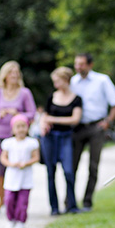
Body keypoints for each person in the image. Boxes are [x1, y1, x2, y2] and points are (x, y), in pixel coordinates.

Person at [70, 53, 115, 212]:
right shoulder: (73, 81)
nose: (78, 67)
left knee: (93, 166)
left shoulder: (102, 80)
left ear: (90, 65)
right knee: (71, 165)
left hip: (96, 127)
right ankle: (70, 201)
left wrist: (108, 121)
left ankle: (87, 202)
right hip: (77, 127)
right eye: (76, 64)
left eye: (81, 64)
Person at [0, 61, 37, 214]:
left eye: (16, 72)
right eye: (11, 72)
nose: (14, 75)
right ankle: (3, 199)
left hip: (18, 137)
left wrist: (18, 114)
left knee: (16, 168)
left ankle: (16, 201)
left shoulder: (25, 93)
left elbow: (32, 113)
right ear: (5, 76)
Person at [38, 67, 83, 215]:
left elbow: (75, 119)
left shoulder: (76, 99)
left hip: (66, 137)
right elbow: (44, 116)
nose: (55, 84)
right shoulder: (52, 97)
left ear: (66, 80)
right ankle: (54, 208)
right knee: (51, 172)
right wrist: (43, 124)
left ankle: (72, 205)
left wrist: (53, 119)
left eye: (57, 81)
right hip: (50, 137)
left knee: (68, 171)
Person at [0, 114, 40, 228]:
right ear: (13, 129)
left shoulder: (32, 143)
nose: (21, 129)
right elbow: (3, 158)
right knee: (9, 200)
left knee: (22, 202)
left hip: (25, 177)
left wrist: (26, 163)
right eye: (18, 127)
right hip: (12, 177)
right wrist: (11, 164)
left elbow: (36, 157)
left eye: (23, 126)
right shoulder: (8, 143)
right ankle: (10, 219)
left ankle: (20, 221)